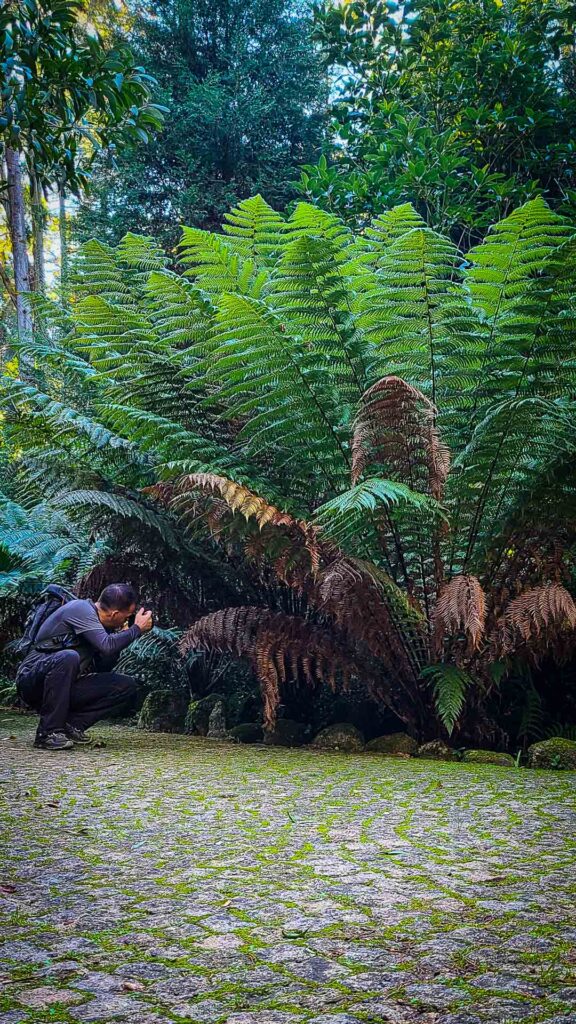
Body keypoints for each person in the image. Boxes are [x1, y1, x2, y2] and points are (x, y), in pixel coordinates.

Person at [16, 583, 153, 751]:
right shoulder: (81, 609)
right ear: (115, 613)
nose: (128, 621)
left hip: (63, 687)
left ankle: (70, 726)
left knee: (126, 685)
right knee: (68, 657)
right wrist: (136, 629)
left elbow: (103, 667)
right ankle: (48, 733)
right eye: (127, 617)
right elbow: (107, 645)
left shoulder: (103, 628)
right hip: (31, 682)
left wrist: (121, 636)